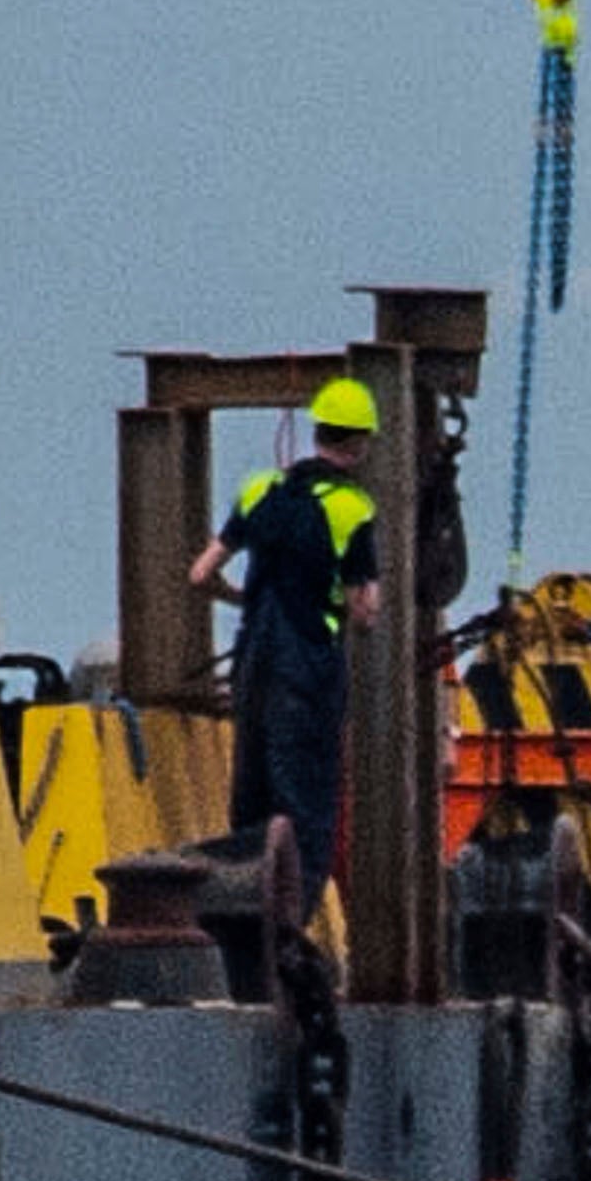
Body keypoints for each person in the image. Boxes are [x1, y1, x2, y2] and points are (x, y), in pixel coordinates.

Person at [201, 379, 389, 947]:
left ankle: (239, 936)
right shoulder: (352, 509)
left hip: (252, 667)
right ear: (358, 445)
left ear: (316, 431)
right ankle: (284, 939)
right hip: (307, 670)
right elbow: (364, 611)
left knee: (251, 807)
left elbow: (200, 574)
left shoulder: (259, 490)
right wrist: (336, 598)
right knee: (305, 813)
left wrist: (247, 599)